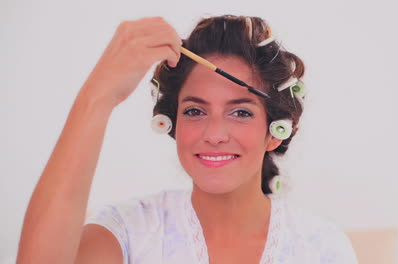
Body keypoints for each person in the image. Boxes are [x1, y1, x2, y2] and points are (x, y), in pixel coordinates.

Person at [16, 15, 358, 264]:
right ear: (173, 123)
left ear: (274, 131)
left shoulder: (320, 247)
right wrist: (98, 96)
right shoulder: (129, 233)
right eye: (195, 111)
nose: (214, 135)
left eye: (240, 112)